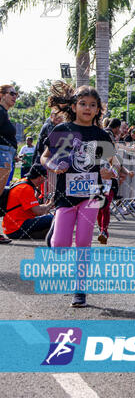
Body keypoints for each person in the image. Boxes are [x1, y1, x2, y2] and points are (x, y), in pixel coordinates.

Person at [40, 81, 116, 307]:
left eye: (92, 105)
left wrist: (108, 171)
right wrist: (52, 166)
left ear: (97, 109)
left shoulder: (100, 134)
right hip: (65, 195)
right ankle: (55, 229)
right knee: (61, 246)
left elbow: (111, 163)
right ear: (73, 106)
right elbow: (44, 156)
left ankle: (80, 289)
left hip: (92, 195)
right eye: (82, 103)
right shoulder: (62, 131)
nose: (87, 108)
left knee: (84, 241)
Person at [2, 164, 54, 240]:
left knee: (47, 221)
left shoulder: (22, 182)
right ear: (40, 177)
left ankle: (42, 234)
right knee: (52, 219)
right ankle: (45, 235)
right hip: (16, 228)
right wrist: (51, 203)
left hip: (10, 227)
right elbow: (38, 211)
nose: (45, 180)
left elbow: (33, 207)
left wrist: (46, 204)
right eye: (45, 178)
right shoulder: (26, 189)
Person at [0, 84, 18, 244]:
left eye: (16, 94)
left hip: (6, 154)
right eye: (11, 93)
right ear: (2, 95)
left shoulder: (4, 113)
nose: (14, 96)